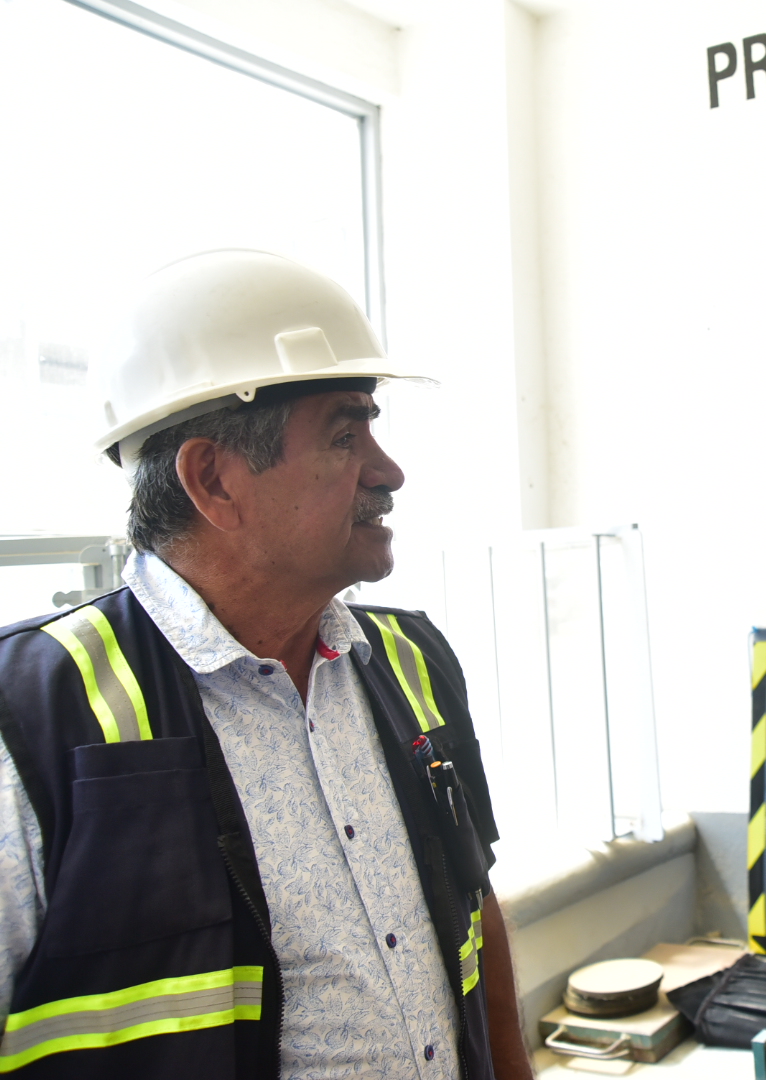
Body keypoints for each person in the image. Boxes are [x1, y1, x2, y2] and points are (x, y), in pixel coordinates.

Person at [0, 251, 530, 1079]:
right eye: (345, 436)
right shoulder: (31, 717)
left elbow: (474, 906)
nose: (389, 471)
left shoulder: (411, 660)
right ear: (213, 480)